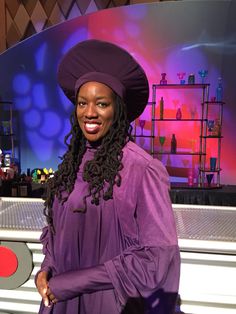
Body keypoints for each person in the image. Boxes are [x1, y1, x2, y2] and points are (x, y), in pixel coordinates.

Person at [35, 39, 180, 314]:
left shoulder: (142, 169)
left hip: (108, 305)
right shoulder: (72, 163)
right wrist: (47, 269)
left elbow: (157, 258)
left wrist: (70, 283)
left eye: (101, 104)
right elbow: (58, 234)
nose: (89, 113)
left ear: (118, 110)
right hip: (59, 302)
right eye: (82, 103)